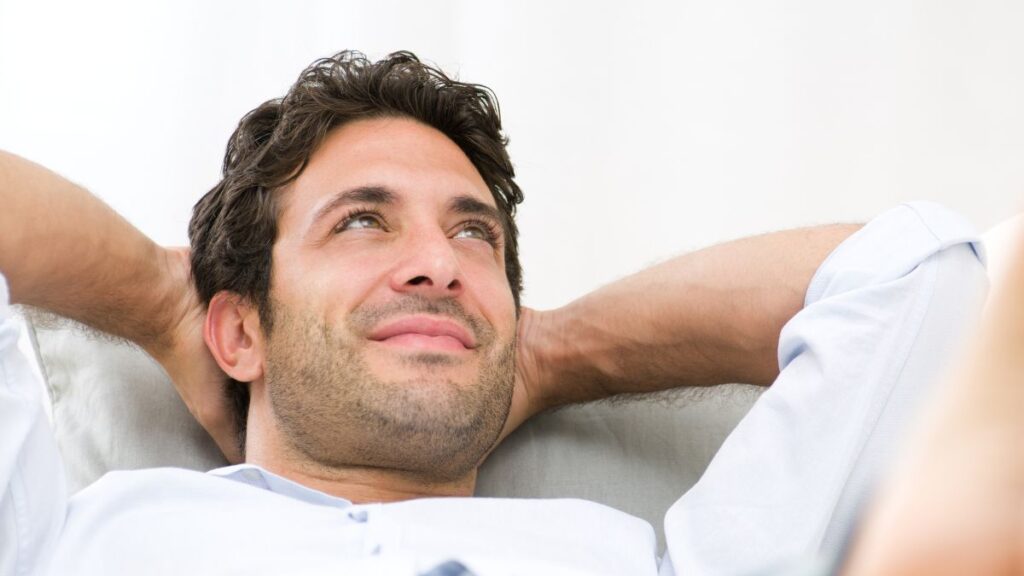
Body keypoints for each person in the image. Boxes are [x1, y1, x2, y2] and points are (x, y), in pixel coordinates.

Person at [0, 50, 1000, 575]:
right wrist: (157, 301)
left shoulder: (656, 558)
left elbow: (914, 274)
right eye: (362, 223)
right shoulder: (66, 542)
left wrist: (551, 354)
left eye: (474, 234)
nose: (438, 264)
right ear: (241, 330)